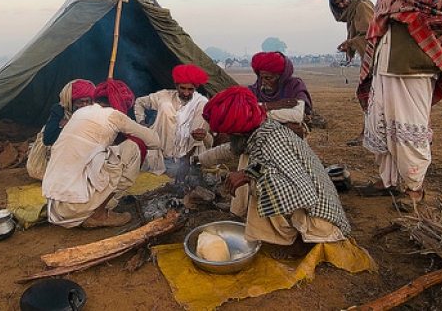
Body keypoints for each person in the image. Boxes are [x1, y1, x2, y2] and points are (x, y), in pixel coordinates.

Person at [201, 86, 368, 263]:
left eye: (228, 132)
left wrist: (247, 175)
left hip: (321, 220)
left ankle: (302, 242)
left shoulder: (272, 140)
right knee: (250, 165)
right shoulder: (257, 132)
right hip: (305, 200)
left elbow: (300, 189)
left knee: (259, 182)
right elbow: (230, 150)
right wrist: (199, 160)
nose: (226, 135)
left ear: (238, 130)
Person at [357, 0, 442, 209]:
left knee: (409, 129)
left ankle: (414, 188)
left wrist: (402, 15)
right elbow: (380, 20)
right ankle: (385, 180)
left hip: (413, 65)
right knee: (379, 124)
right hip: (384, 63)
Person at [41, 79, 160, 228]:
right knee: (132, 147)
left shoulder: (81, 113)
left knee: (104, 153)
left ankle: (92, 209)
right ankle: (99, 214)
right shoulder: (115, 116)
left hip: (55, 206)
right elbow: (155, 141)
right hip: (76, 206)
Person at [134, 64, 212, 177]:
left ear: (195, 88)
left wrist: (203, 136)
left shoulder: (201, 102)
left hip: (190, 154)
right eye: (183, 88)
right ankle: (168, 160)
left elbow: (208, 139)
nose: (186, 93)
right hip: (162, 153)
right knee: (166, 107)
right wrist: (141, 123)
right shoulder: (164, 96)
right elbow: (139, 103)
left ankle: (188, 161)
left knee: (203, 107)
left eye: (190, 89)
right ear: (176, 85)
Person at [327, 0, 375, 147]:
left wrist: (351, 43)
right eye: (337, 4)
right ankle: (369, 133)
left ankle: (369, 134)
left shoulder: (362, 7)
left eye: (343, 1)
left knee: (373, 98)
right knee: (371, 98)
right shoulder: (355, 12)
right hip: (371, 62)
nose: (341, 5)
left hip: (380, 62)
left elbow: (371, 35)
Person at [26, 79, 97, 181]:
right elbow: (48, 139)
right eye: (80, 102)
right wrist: (68, 126)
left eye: (88, 101)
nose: (84, 105)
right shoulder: (59, 110)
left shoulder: (94, 113)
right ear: (71, 102)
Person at [247, 51, 313, 138]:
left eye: (269, 78)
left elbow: (296, 115)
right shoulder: (255, 89)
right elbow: (245, 110)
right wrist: (270, 105)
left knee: (293, 128)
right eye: (261, 77)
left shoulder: (295, 85)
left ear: (281, 77)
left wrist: (261, 112)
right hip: (261, 132)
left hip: (286, 132)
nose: (263, 82)